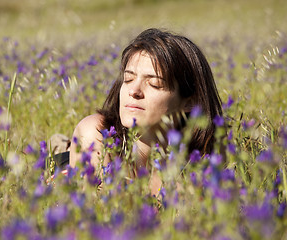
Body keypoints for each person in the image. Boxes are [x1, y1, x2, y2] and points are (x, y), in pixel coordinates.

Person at [69, 28, 223, 195]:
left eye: (154, 84)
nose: (134, 90)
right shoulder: (96, 132)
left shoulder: (202, 160)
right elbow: (99, 211)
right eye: (128, 79)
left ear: (190, 102)